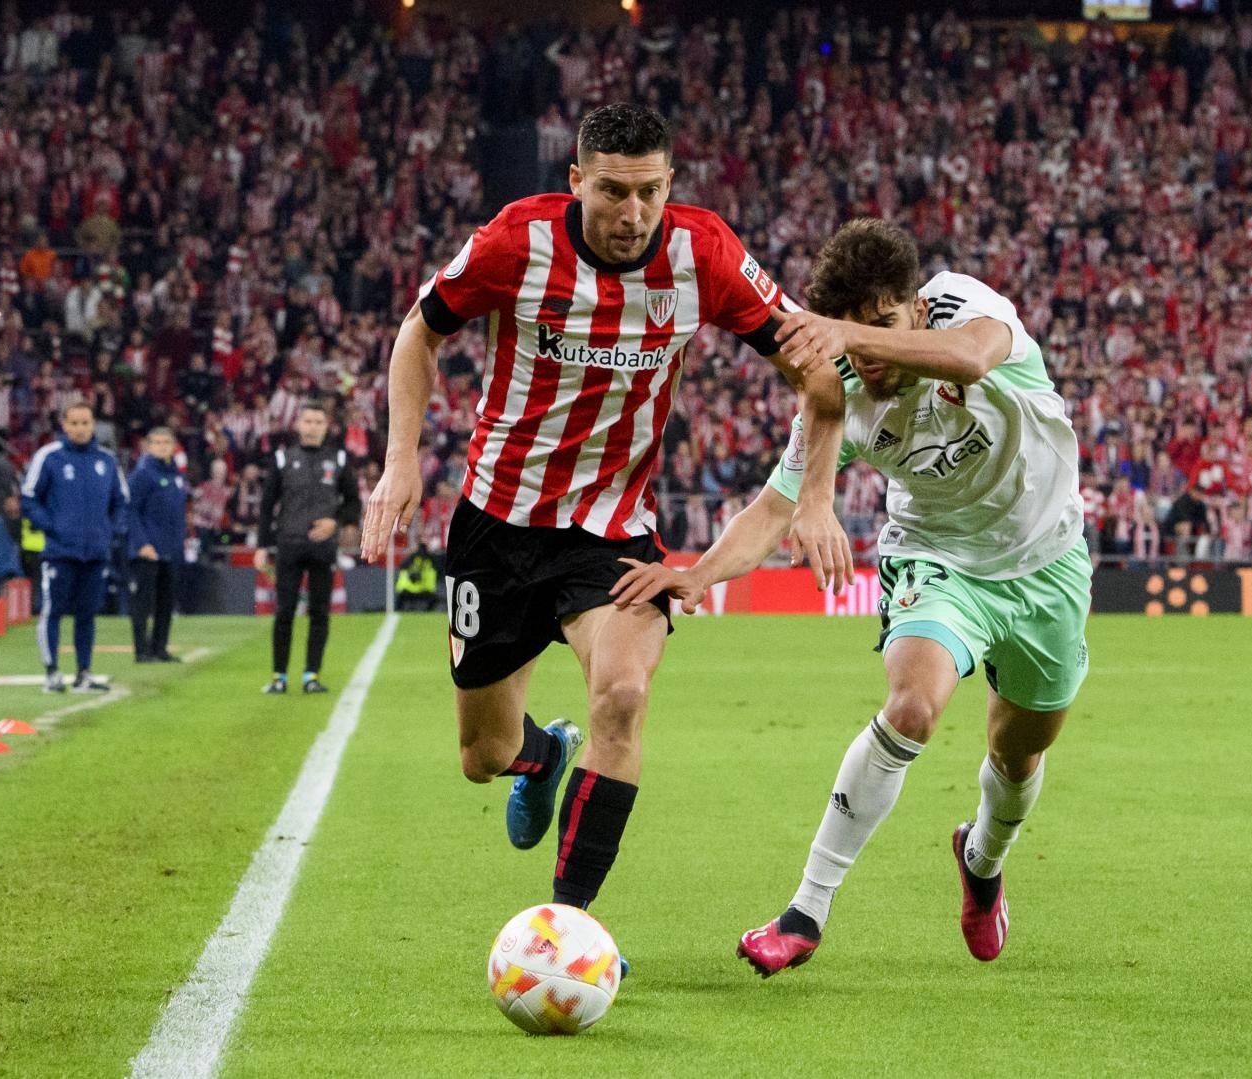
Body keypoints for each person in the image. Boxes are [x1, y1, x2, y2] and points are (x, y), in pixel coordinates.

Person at [359, 103, 847, 938]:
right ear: (576, 180)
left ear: (671, 185)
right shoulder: (518, 242)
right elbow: (418, 332)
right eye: (614, 191)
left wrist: (817, 496)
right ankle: (542, 756)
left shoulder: (707, 254)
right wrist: (401, 458)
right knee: (482, 757)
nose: (633, 214)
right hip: (496, 522)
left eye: (650, 192)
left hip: (611, 531)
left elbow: (819, 370)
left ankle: (567, 929)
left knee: (620, 697)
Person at [612, 218, 1090, 975]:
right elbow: (776, 506)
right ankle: (806, 911)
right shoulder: (845, 391)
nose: (868, 350)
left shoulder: (962, 308)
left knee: (1020, 751)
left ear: (913, 305)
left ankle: (983, 857)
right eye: (854, 337)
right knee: (913, 706)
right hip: (938, 559)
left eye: (882, 325)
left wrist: (840, 331)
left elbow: (970, 359)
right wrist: (697, 574)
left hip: (1048, 561)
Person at [256, 400, 361, 694]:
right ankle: (279, 676)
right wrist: (263, 545)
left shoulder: (338, 458)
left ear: (327, 427)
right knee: (284, 611)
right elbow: (267, 506)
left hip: (323, 548)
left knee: (319, 612)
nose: (313, 427)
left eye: (318, 422)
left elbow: (353, 501)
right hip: (288, 544)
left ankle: (311, 676)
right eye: (308, 421)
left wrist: (336, 522)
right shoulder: (282, 459)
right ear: (298, 425)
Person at [22, 401, 127, 693]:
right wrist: (53, 527)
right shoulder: (49, 457)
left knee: (87, 614)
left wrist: (111, 531)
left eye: (86, 423)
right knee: (52, 611)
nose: (81, 429)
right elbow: (29, 497)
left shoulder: (107, 460)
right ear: (64, 426)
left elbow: (121, 501)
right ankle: (51, 672)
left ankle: (84, 673)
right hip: (59, 552)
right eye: (75, 423)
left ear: (93, 425)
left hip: (94, 552)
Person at [127, 427, 189, 662]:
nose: (162, 447)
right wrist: (141, 542)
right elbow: (131, 510)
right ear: (149, 446)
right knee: (143, 600)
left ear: (173, 446)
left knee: (166, 600)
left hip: (170, 548)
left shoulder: (177, 475)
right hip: (148, 549)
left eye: (167, 442)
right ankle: (141, 650)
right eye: (157, 442)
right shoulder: (142, 474)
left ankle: (160, 647)